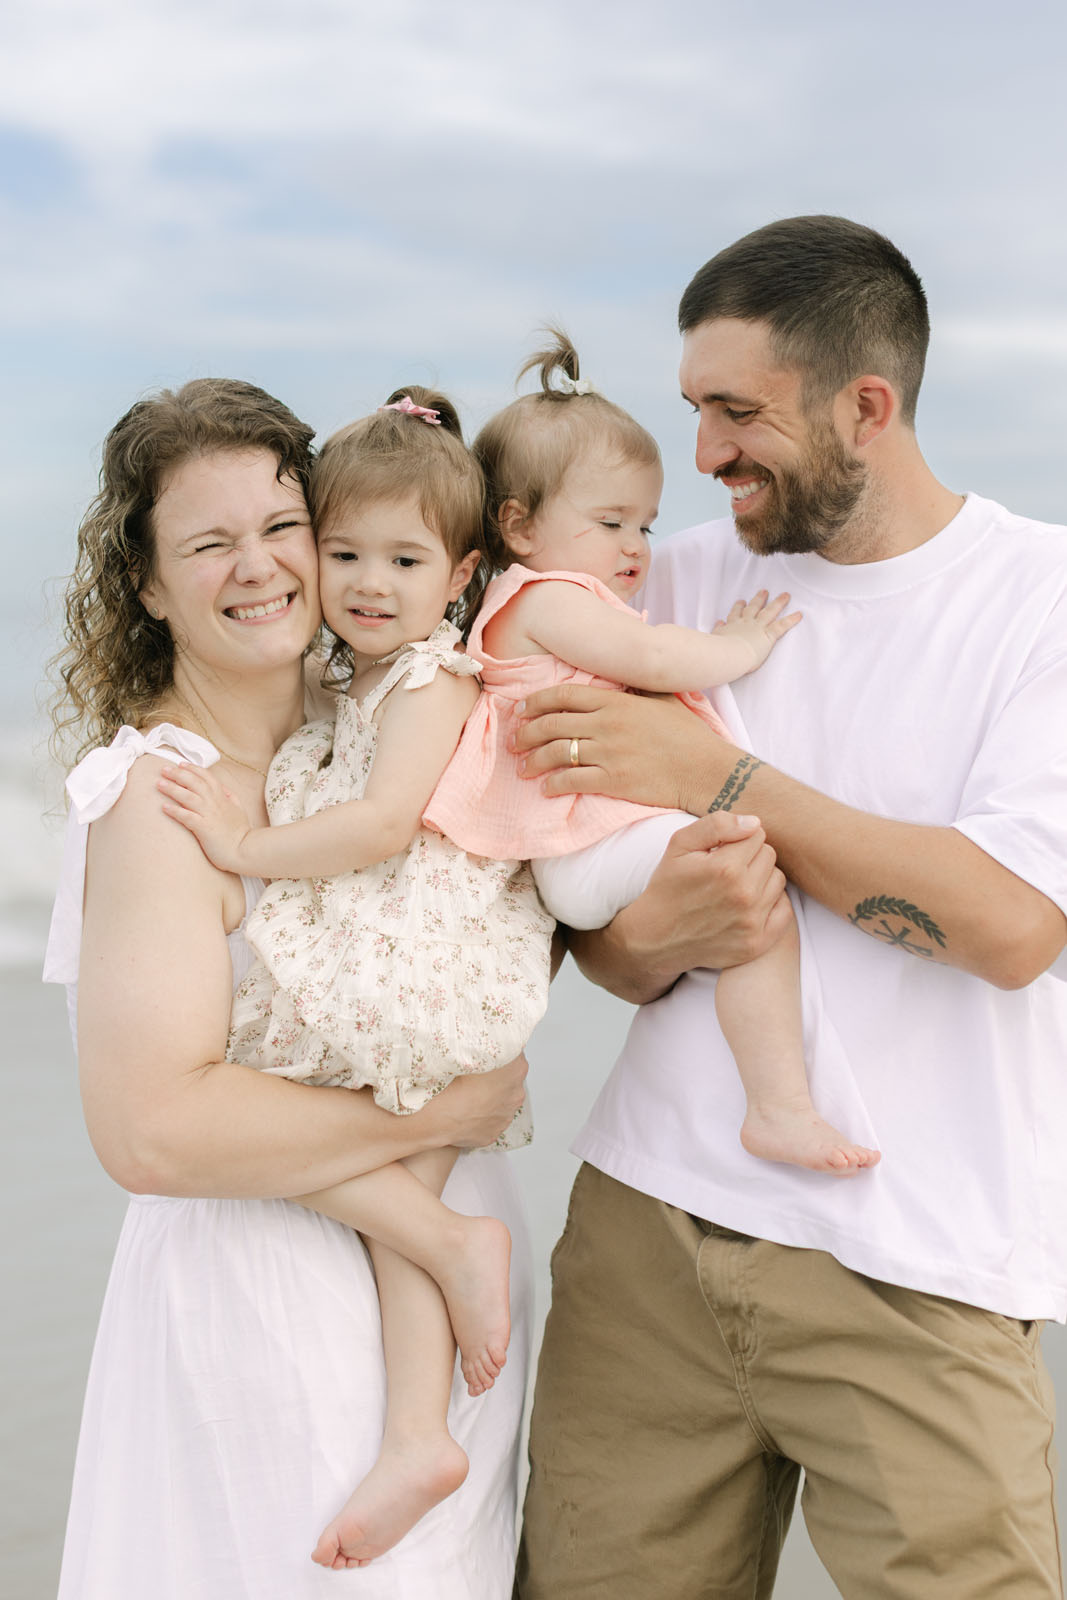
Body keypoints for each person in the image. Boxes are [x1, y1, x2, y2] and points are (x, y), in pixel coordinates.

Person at [511, 217, 1067, 1598]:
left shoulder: (1036, 603)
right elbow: (605, 937)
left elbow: (1009, 928)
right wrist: (655, 936)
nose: (700, 455)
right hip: (646, 1232)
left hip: (917, 1259)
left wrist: (728, 779)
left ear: (863, 408)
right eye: (693, 407)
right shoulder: (675, 580)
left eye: (735, 413)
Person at [43, 378, 532, 1600]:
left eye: (279, 528)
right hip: (274, 1313)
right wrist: (439, 1116)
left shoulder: (378, 722)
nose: (258, 568)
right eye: (208, 543)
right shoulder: (161, 799)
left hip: (443, 1313)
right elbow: (152, 1128)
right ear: (149, 586)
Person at [425, 331, 877, 1176]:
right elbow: (660, 661)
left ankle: (777, 1105)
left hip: (589, 846)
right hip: (587, 846)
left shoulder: (548, 593)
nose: (637, 547)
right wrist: (740, 645)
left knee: (746, 896)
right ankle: (778, 1107)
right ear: (518, 526)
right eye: (610, 522)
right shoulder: (547, 597)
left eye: (645, 523)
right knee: (756, 897)